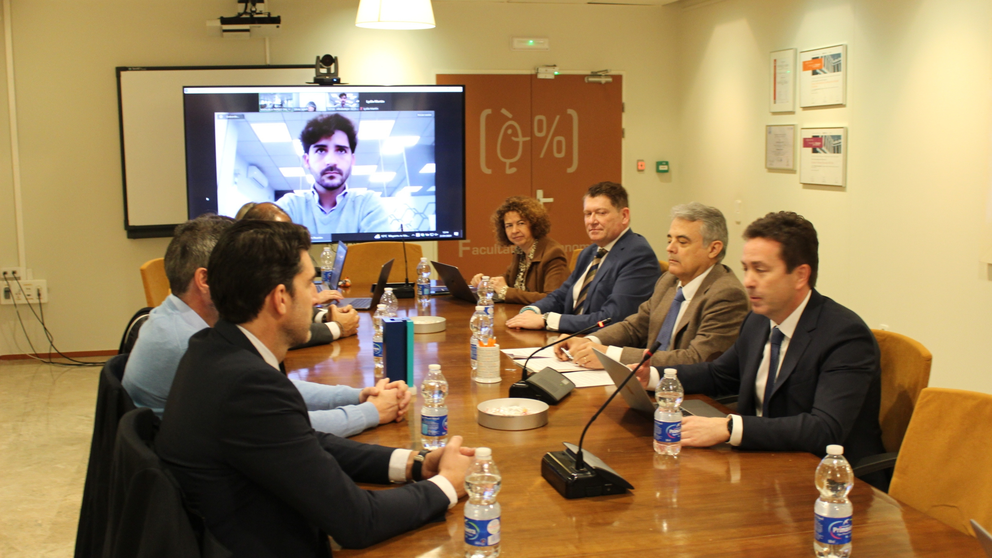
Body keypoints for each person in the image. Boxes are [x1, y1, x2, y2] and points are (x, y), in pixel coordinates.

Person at [156, 219, 473, 557]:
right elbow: (358, 521)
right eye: (309, 284)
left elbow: (305, 443)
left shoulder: (215, 348)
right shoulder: (246, 385)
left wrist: (414, 463)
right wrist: (446, 484)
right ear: (280, 298)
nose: (316, 297)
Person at [122, 214, 404, 438]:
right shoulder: (191, 345)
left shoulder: (180, 318)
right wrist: (370, 412)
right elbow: (283, 423)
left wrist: (356, 396)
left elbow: (278, 394)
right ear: (206, 280)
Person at [663, 211, 886, 488]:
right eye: (746, 268)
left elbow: (824, 428)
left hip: (827, 485)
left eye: (761, 270)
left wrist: (729, 427)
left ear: (800, 275)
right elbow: (719, 375)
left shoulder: (845, 336)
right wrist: (651, 375)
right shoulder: (759, 319)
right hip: (759, 468)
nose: (748, 281)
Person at [554, 203, 749, 385]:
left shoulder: (726, 294)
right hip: (648, 384)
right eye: (669, 239)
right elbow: (635, 326)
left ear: (713, 249)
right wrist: (590, 341)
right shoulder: (669, 281)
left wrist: (610, 354)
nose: (670, 248)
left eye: (682, 242)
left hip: (690, 396)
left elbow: (695, 359)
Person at [505, 181, 661, 333]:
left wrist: (547, 320)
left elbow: (612, 319)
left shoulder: (638, 254)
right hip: (570, 341)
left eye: (601, 213)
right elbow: (562, 295)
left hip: (602, 348)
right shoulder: (590, 252)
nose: (592, 221)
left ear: (624, 216)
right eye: (588, 214)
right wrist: (533, 310)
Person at [240, 201, 360, 342]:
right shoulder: (250, 274)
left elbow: (288, 312)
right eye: (282, 235)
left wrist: (326, 316)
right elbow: (275, 332)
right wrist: (338, 327)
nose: (290, 243)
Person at [275, 114, 391, 235]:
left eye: (341, 150)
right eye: (320, 150)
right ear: (307, 160)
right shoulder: (289, 206)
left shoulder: (368, 204)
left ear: (352, 160)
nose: (331, 161)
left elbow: (379, 252)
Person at [470, 196, 568, 304]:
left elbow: (554, 300)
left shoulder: (553, 253)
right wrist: (485, 282)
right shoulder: (521, 250)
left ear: (534, 223)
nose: (514, 231)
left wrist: (506, 292)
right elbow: (508, 279)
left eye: (521, 223)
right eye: (509, 226)